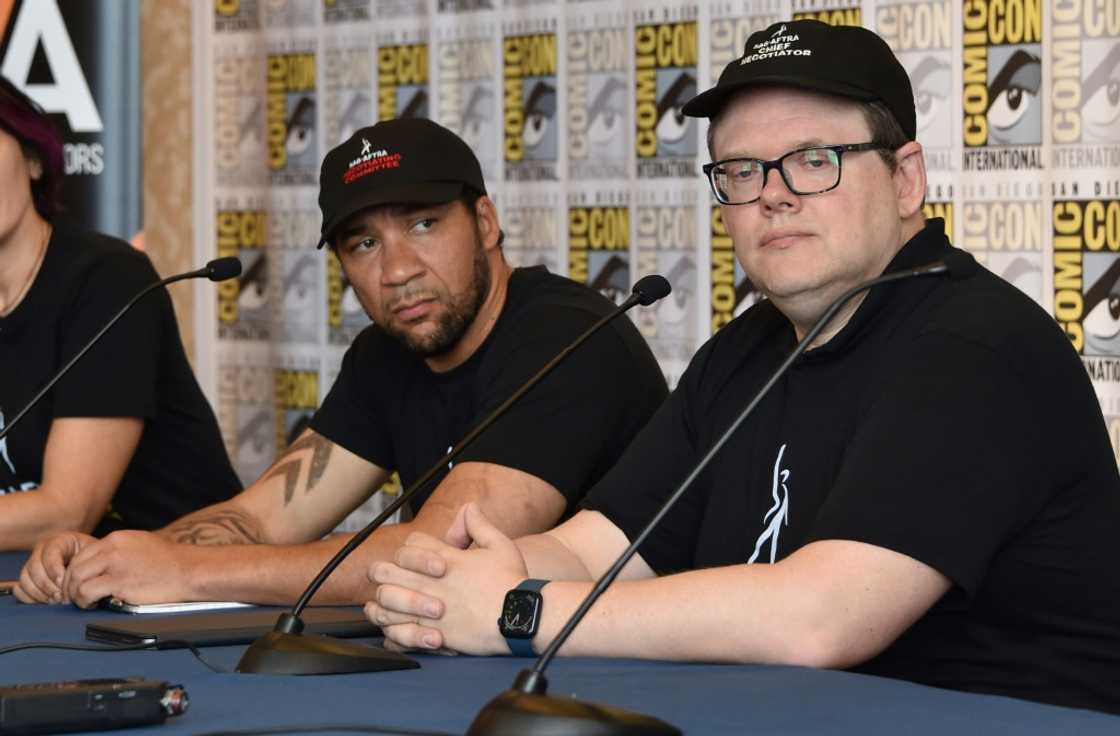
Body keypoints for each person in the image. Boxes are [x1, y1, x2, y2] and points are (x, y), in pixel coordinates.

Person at [364, 20, 1120, 715]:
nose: (774, 197)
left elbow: (819, 619)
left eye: (813, 162)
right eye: (743, 171)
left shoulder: (974, 346)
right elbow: (596, 547)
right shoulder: (746, 350)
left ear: (905, 180)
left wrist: (515, 609)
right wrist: (437, 587)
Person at [16, 118, 667, 607]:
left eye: (423, 225)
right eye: (363, 243)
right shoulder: (387, 353)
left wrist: (182, 572)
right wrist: (111, 557)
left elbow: (437, 553)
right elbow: (261, 517)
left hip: (622, 677)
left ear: (487, 223)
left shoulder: (569, 336)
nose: (397, 270)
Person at [0, 77, 241, 559]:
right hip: (42, 582)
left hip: (181, 589)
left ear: (32, 158)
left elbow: (67, 511)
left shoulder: (106, 278)